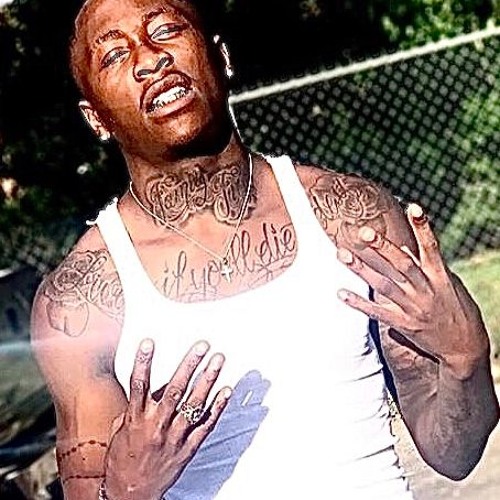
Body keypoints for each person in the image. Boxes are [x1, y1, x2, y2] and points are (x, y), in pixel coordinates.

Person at [30, 0, 499, 499]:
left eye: (165, 30)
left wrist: (467, 359)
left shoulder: (351, 217)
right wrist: (128, 491)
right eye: (115, 55)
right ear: (96, 119)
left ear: (222, 58)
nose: (150, 58)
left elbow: (455, 454)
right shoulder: (80, 300)